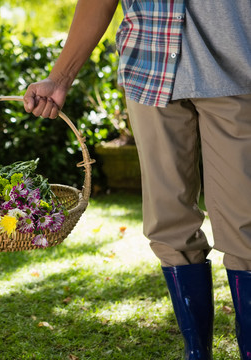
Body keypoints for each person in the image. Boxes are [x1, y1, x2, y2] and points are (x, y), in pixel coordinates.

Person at [24, 1, 251, 359]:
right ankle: (197, 354)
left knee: (246, 226)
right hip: (151, 66)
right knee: (169, 226)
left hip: (238, 66)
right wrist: (60, 77)